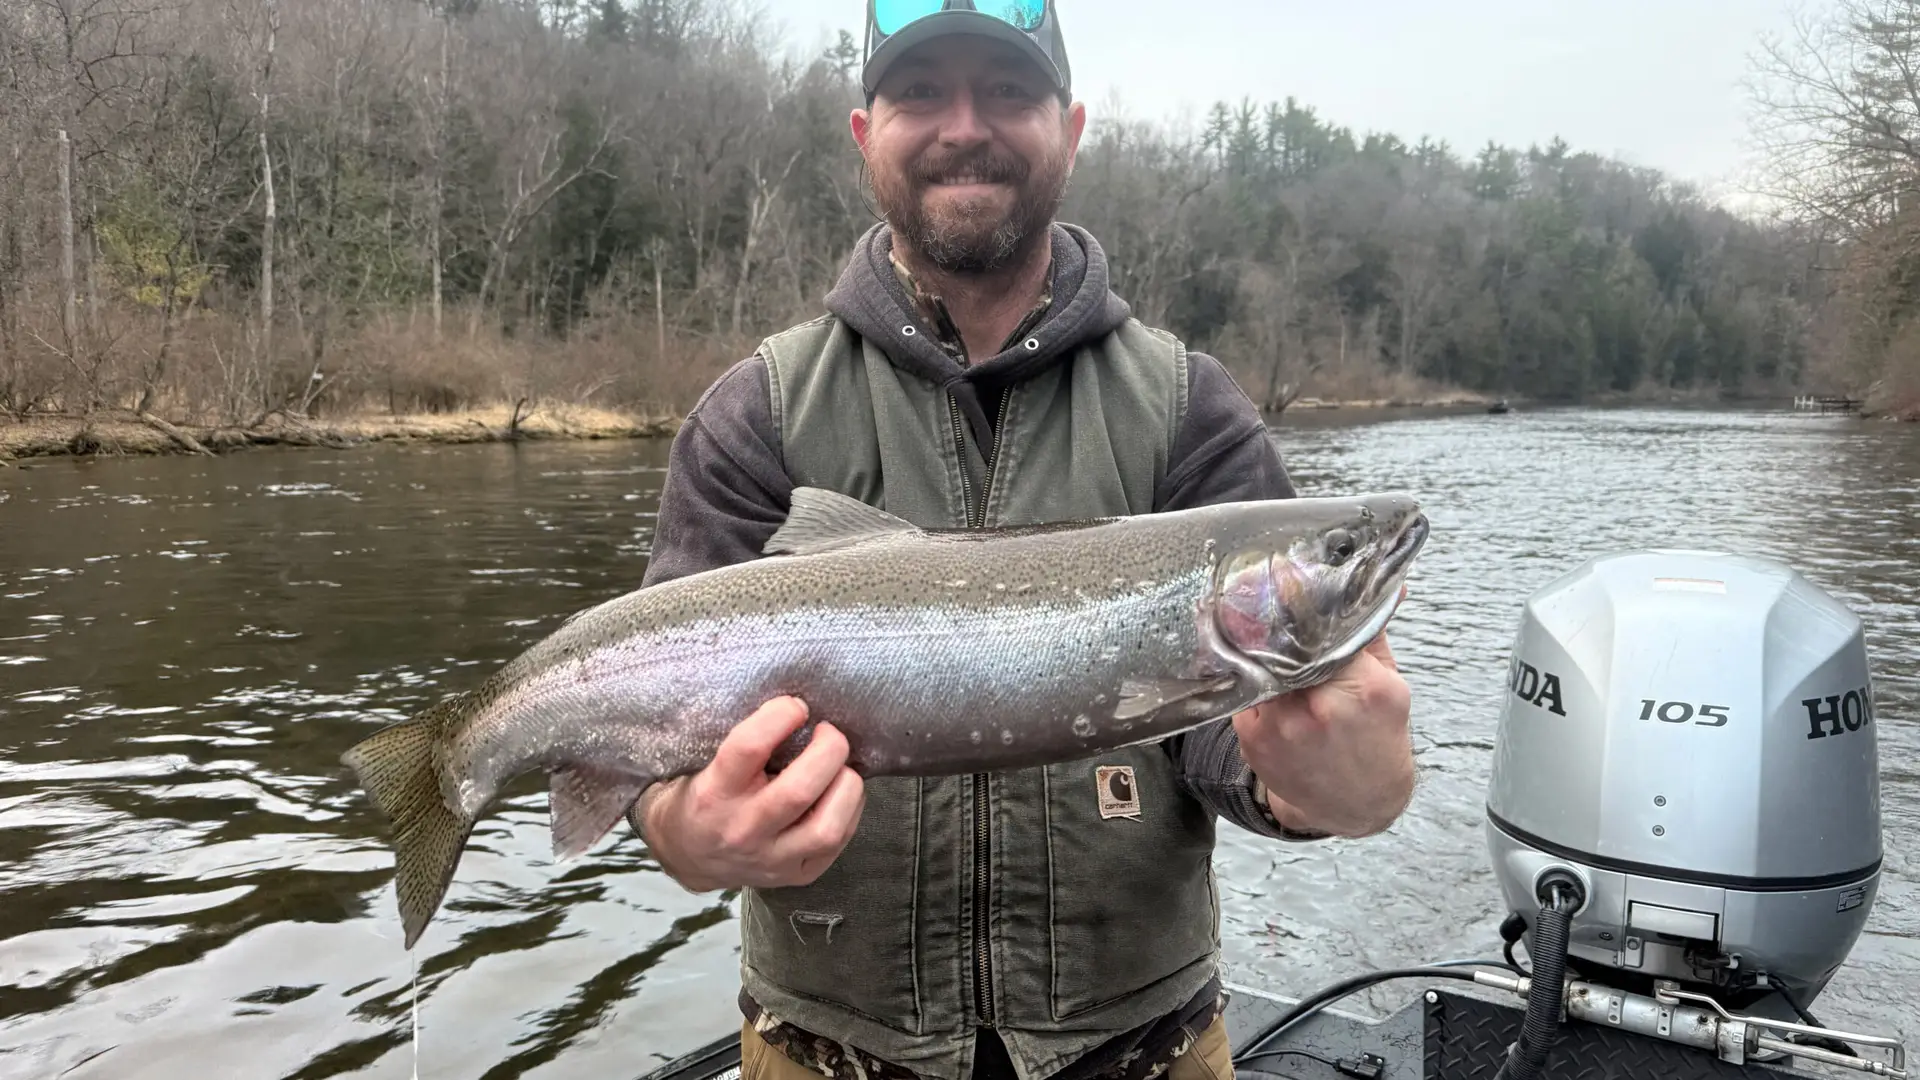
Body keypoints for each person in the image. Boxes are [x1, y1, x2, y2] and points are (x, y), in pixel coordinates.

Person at [629, 3, 1417, 1079]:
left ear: (1071, 127)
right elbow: (651, 732)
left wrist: (1330, 791)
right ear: (866, 133)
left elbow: (1227, 741)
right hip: (824, 1051)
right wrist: (677, 832)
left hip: (1144, 1048)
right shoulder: (755, 412)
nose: (965, 126)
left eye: (1007, 91)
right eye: (921, 94)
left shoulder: (1191, 407)